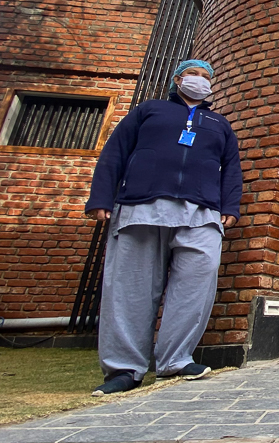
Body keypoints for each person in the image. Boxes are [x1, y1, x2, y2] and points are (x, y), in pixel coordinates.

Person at [84, 59, 242, 395]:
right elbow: (115, 152)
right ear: (177, 79)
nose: (198, 81)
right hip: (142, 205)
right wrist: (101, 197)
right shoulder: (149, 110)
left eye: (205, 77)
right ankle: (125, 368)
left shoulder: (219, 124)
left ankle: (175, 359)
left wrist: (230, 206)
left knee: (197, 282)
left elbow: (231, 169)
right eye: (192, 75)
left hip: (202, 210)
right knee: (131, 287)